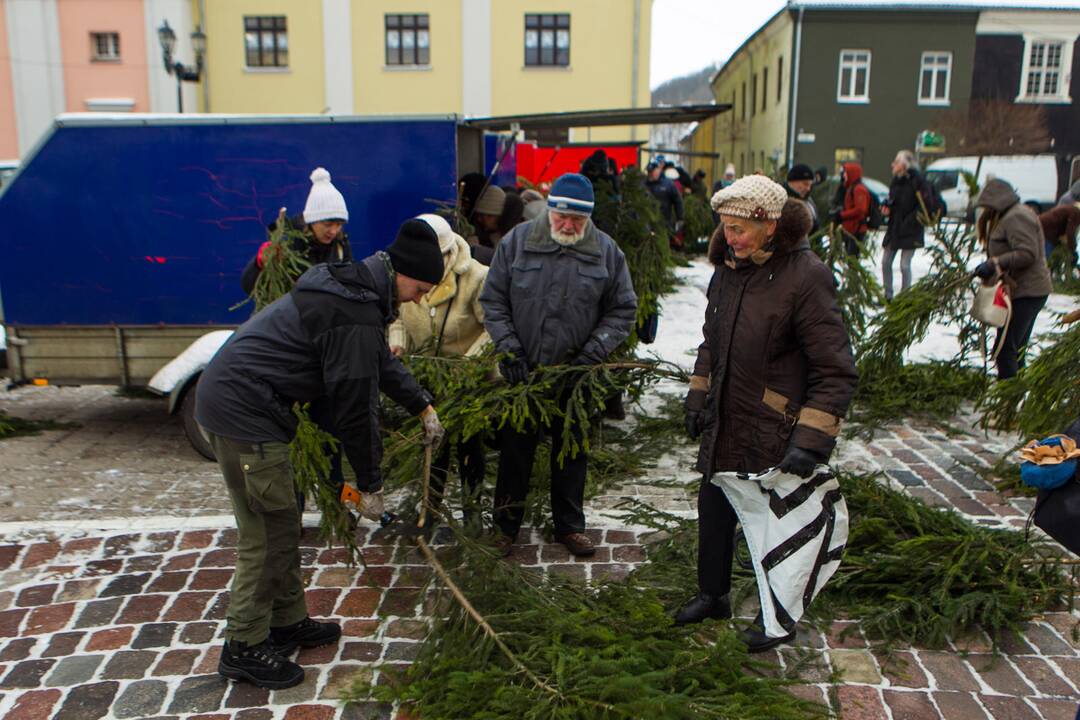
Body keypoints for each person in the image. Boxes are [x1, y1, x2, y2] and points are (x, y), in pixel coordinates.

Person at [195, 220, 447, 689]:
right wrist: (369, 486)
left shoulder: (358, 294)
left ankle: (286, 622)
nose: (419, 298)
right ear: (400, 274)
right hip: (244, 413)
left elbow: (379, 362)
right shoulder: (353, 310)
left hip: (251, 406)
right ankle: (243, 647)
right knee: (266, 533)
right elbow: (356, 410)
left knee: (283, 519)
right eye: (419, 288)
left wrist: (421, 404)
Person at [678, 175, 857, 652]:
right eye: (726, 227)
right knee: (714, 513)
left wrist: (812, 439)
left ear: (770, 225)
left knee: (775, 525)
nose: (729, 237)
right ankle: (712, 594)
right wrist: (698, 397)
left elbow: (834, 369)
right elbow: (711, 344)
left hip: (775, 429)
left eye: (740, 229)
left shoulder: (805, 276)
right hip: (726, 422)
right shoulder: (727, 270)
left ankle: (775, 615)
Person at [480, 173, 637, 558]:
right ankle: (505, 527)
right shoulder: (516, 243)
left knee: (572, 452)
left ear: (588, 219)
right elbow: (494, 301)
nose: (567, 226)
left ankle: (569, 526)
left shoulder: (606, 252)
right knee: (515, 453)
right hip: (526, 374)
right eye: (561, 217)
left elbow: (623, 308)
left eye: (576, 221)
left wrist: (595, 350)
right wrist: (509, 348)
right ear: (550, 210)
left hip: (576, 374)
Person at [388, 214, 490, 527]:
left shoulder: (477, 277)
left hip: (465, 380)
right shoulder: (404, 272)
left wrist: (470, 363)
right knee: (433, 445)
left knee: (470, 447)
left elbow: (493, 328)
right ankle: (429, 511)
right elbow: (397, 317)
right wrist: (397, 343)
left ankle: (472, 512)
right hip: (425, 377)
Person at [972, 179, 1053, 380]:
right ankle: (1015, 398)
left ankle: (1008, 399)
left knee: (1006, 349)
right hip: (1021, 290)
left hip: (1028, 291)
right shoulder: (1008, 215)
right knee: (1015, 349)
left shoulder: (1016, 217)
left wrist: (995, 263)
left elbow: (1028, 253)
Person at [241, 168, 352, 295]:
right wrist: (258, 265)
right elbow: (250, 287)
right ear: (311, 221)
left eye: (339, 225)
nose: (333, 231)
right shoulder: (286, 244)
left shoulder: (340, 245)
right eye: (327, 224)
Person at [881, 150, 930, 301]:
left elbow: (923, 205)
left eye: (895, 162)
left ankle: (905, 297)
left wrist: (910, 221)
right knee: (885, 261)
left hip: (911, 229)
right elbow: (893, 200)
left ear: (903, 164)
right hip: (895, 228)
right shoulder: (896, 180)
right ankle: (888, 295)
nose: (892, 165)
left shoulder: (918, 181)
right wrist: (887, 207)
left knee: (904, 265)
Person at [832, 162, 872, 257]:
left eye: (845, 173)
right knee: (848, 256)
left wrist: (842, 215)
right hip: (850, 228)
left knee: (852, 256)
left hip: (856, 229)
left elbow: (860, 210)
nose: (843, 176)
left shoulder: (859, 189)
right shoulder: (850, 188)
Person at [645, 160, 684, 232]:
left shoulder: (668, 184)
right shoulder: (644, 185)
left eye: (652, 171)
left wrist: (680, 218)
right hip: (648, 224)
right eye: (649, 172)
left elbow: (678, 200)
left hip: (664, 223)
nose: (650, 174)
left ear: (658, 170)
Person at [1039, 202, 1080, 268]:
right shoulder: (1076, 213)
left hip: (1045, 228)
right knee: (1047, 259)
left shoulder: (1072, 209)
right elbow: (1070, 233)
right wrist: (1072, 251)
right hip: (1045, 231)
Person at [783, 164, 819, 233]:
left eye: (810, 185)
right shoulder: (782, 200)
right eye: (805, 184)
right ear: (792, 181)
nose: (808, 189)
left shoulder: (808, 200)